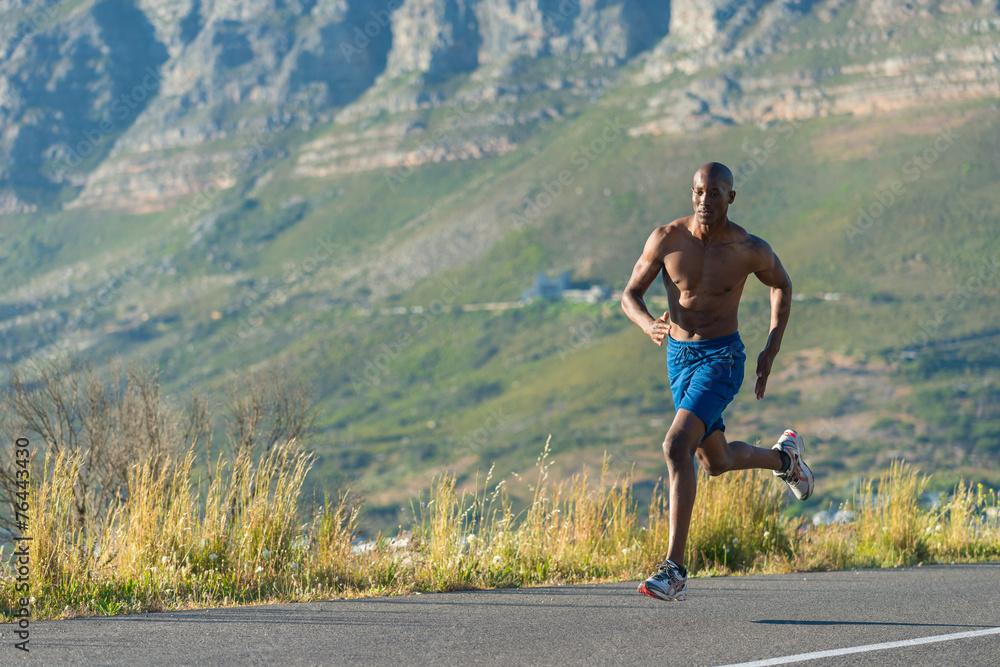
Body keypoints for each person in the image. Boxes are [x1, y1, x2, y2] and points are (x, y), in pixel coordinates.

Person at [621, 162, 813, 601]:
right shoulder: (666, 238)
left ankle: (674, 570)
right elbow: (629, 294)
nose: (705, 200)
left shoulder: (747, 248)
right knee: (716, 461)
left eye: (715, 193)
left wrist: (772, 346)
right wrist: (648, 323)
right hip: (679, 359)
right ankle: (786, 460)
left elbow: (782, 285)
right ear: (692, 193)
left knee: (675, 445)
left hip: (723, 357)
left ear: (731, 197)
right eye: (699, 192)